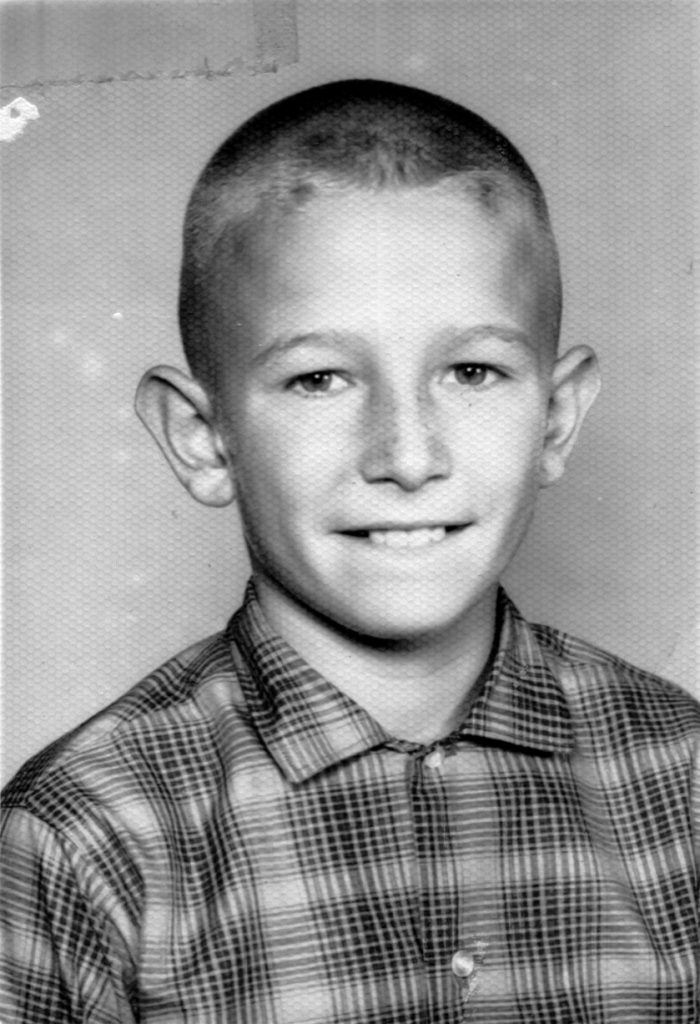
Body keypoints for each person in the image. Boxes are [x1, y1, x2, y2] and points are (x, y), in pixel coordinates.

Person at [1, 79, 697, 1024]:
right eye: (320, 378)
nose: (407, 457)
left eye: (472, 371)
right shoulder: (84, 833)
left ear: (557, 417)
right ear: (202, 439)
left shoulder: (682, 777)